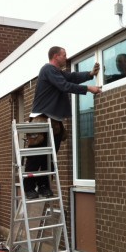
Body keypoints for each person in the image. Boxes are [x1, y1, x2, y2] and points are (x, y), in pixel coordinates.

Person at [24, 46, 102, 199]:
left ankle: (44, 186)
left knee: (50, 157)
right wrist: (88, 88)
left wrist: (90, 74)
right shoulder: (48, 69)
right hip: (41, 119)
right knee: (36, 157)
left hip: (55, 122)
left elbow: (71, 77)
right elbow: (64, 85)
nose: (66, 58)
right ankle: (29, 188)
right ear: (55, 56)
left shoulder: (57, 72)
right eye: (64, 55)